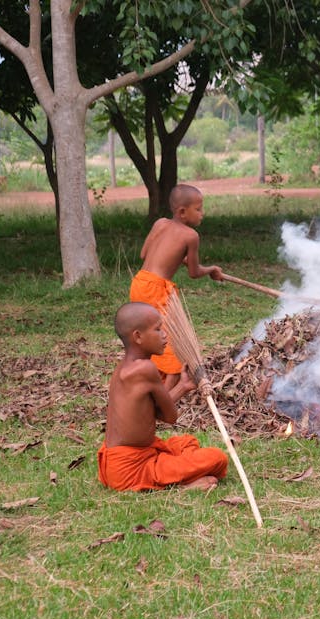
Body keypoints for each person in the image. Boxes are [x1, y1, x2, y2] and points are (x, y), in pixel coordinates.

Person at [97, 302, 227, 491]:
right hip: (131, 469)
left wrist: (182, 386)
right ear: (138, 336)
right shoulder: (146, 369)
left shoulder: (125, 367)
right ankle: (183, 484)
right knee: (217, 458)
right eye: (158, 329)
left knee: (187, 442)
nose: (165, 335)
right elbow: (170, 417)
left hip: (118, 461)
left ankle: (176, 469)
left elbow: (154, 411)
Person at [129, 184, 222, 389]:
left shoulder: (160, 223)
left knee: (148, 334)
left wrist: (173, 257)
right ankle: (167, 395)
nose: (202, 214)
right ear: (182, 212)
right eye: (198, 209)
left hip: (139, 283)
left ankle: (149, 380)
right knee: (169, 342)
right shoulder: (191, 236)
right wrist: (212, 269)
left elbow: (144, 254)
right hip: (156, 290)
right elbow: (194, 272)